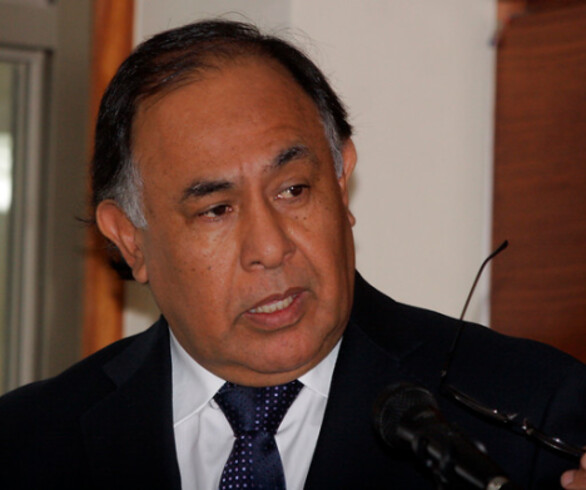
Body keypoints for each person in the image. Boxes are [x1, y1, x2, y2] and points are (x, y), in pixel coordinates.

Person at [0, 19, 585, 490]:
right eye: (216, 210)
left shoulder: (532, 414)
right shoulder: (27, 444)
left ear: (341, 180)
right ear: (131, 239)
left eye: (294, 190)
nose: (271, 248)